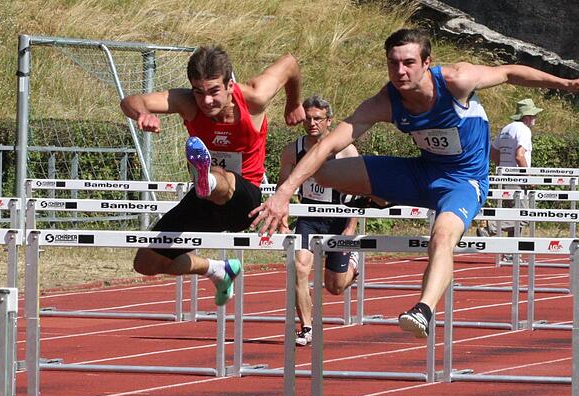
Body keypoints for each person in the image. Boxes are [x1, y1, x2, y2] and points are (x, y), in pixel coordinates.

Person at [250, 28, 579, 338]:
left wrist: (563, 84)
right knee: (325, 171)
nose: (401, 71)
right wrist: (285, 191)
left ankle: (423, 309)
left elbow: (509, 72)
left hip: (462, 182)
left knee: (443, 236)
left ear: (427, 63)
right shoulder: (385, 101)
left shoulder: (456, 80)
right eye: (393, 63)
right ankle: (380, 196)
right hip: (420, 173)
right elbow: (326, 145)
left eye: (409, 63)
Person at [120, 45, 304, 306]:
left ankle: (209, 177)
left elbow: (290, 62)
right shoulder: (187, 102)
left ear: (230, 84)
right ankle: (218, 269)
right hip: (203, 199)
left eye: (214, 91)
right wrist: (143, 113)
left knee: (220, 177)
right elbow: (131, 100)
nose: (206, 101)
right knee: (147, 262)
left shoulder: (254, 97)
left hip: (245, 202)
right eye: (199, 92)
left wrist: (293, 103)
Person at [278, 95, 360, 346]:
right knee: (299, 266)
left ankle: (353, 265)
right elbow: (283, 187)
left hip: (339, 217)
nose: (312, 123)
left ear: (329, 121)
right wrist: (283, 220)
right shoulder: (293, 150)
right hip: (309, 217)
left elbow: (360, 192)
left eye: (317, 119)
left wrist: (351, 226)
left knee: (334, 287)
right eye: (308, 119)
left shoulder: (346, 150)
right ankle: (307, 327)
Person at [478, 98, 543, 242]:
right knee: (524, 216)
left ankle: (511, 253)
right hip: (517, 178)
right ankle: (490, 226)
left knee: (513, 216)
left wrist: (503, 167)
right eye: (533, 116)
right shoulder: (524, 130)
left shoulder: (507, 128)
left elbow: (493, 152)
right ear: (527, 117)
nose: (535, 119)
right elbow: (520, 155)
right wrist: (528, 177)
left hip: (505, 176)